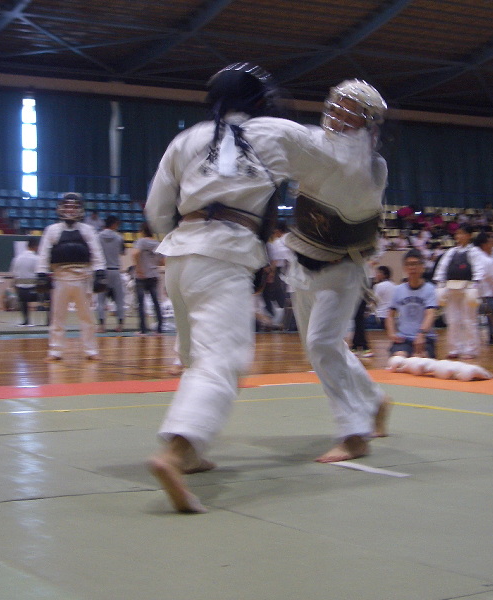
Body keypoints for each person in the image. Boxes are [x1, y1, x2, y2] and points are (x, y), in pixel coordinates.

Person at [144, 62, 339, 513]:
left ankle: (189, 454)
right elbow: (330, 158)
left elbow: (157, 210)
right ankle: (172, 454)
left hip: (181, 258)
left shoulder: (186, 139)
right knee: (222, 360)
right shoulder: (275, 132)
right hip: (226, 255)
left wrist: (187, 238)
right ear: (258, 102)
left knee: (195, 359)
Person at [282, 79, 391, 464]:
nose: (340, 114)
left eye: (351, 110)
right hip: (301, 259)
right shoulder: (316, 144)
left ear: (368, 122)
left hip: (342, 267)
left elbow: (341, 169)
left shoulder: (372, 165)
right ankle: (374, 401)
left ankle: (354, 433)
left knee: (322, 344)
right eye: (338, 105)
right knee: (324, 347)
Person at [37, 193, 106, 360]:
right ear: (60, 208)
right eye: (67, 207)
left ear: (80, 209)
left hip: (83, 278)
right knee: (57, 317)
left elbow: (96, 252)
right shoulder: (52, 230)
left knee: (87, 317)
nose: (70, 210)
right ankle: (55, 351)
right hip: (60, 278)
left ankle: (91, 350)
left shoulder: (87, 230)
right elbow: (44, 254)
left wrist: (100, 273)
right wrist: (41, 273)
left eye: (74, 207)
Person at [432, 224, 486, 359]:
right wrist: (440, 284)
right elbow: (442, 268)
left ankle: (470, 349)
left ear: (469, 236)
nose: (458, 236)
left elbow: (479, 269)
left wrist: (475, 284)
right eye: (457, 234)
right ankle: (454, 348)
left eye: (462, 233)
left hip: (468, 288)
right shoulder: (451, 252)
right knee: (452, 320)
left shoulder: (474, 252)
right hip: (451, 288)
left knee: (469, 320)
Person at [385, 249, 437, 358]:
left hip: (425, 338)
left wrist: (421, 334)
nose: (412, 268)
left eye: (415, 264)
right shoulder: (398, 290)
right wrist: (391, 333)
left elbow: (430, 314)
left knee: (418, 361)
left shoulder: (430, 289)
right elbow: (390, 315)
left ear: (422, 267)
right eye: (408, 264)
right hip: (403, 338)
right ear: (404, 268)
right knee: (398, 359)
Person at [97, 215, 126, 333]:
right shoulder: (119, 237)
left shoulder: (97, 236)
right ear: (114, 224)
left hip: (102, 271)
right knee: (119, 299)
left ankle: (101, 326)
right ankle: (120, 325)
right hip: (115, 270)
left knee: (100, 300)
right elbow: (122, 252)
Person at [133, 222, 164, 335]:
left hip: (141, 276)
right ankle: (159, 328)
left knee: (141, 303)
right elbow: (163, 261)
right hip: (154, 275)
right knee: (156, 302)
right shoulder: (157, 243)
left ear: (142, 231)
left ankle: (143, 329)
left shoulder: (141, 241)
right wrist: (153, 263)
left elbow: (135, 254)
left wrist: (139, 268)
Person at [9, 239, 39, 326]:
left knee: (23, 301)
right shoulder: (37, 258)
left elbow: (13, 274)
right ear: (36, 247)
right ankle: (49, 321)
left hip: (21, 290)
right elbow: (40, 272)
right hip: (34, 290)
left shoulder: (17, 258)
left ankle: (26, 320)